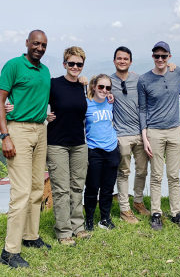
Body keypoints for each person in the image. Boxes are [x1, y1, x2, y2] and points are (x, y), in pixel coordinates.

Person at [0, 30, 51, 268]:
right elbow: (0, 101)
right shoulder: (13, 66)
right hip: (17, 131)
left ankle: (31, 236)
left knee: (37, 188)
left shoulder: (45, 71)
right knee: (20, 192)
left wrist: (85, 82)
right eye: (36, 43)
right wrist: (5, 136)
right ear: (27, 43)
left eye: (43, 45)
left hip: (41, 130)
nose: (39, 48)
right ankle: (10, 251)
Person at [137, 41, 180, 230]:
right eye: (157, 56)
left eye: (164, 56)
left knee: (174, 175)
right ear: (152, 57)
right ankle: (156, 213)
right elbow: (142, 110)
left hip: (175, 130)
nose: (160, 59)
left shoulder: (177, 73)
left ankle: (176, 213)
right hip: (154, 132)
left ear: (169, 57)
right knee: (157, 175)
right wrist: (145, 137)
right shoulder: (144, 80)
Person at [46, 46, 91, 246]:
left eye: (78, 64)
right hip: (57, 144)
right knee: (61, 189)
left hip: (79, 144)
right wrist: (43, 115)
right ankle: (64, 231)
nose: (74, 67)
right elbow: (35, 100)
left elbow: (99, 96)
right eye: (71, 63)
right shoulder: (53, 84)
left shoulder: (83, 86)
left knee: (77, 186)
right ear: (64, 64)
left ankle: (78, 227)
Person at [111, 47, 150, 224]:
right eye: (119, 58)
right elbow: (93, 91)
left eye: (125, 59)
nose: (122, 61)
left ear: (130, 62)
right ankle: (124, 209)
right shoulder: (108, 81)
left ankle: (138, 202)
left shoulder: (139, 79)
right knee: (124, 172)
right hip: (122, 135)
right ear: (114, 61)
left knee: (142, 170)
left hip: (141, 133)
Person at [84, 74, 120, 230]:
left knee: (108, 188)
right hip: (94, 150)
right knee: (92, 187)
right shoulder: (86, 104)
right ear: (94, 86)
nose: (104, 90)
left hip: (112, 149)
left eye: (107, 88)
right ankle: (90, 219)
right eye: (101, 87)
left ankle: (105, 218)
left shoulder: (110, 102)